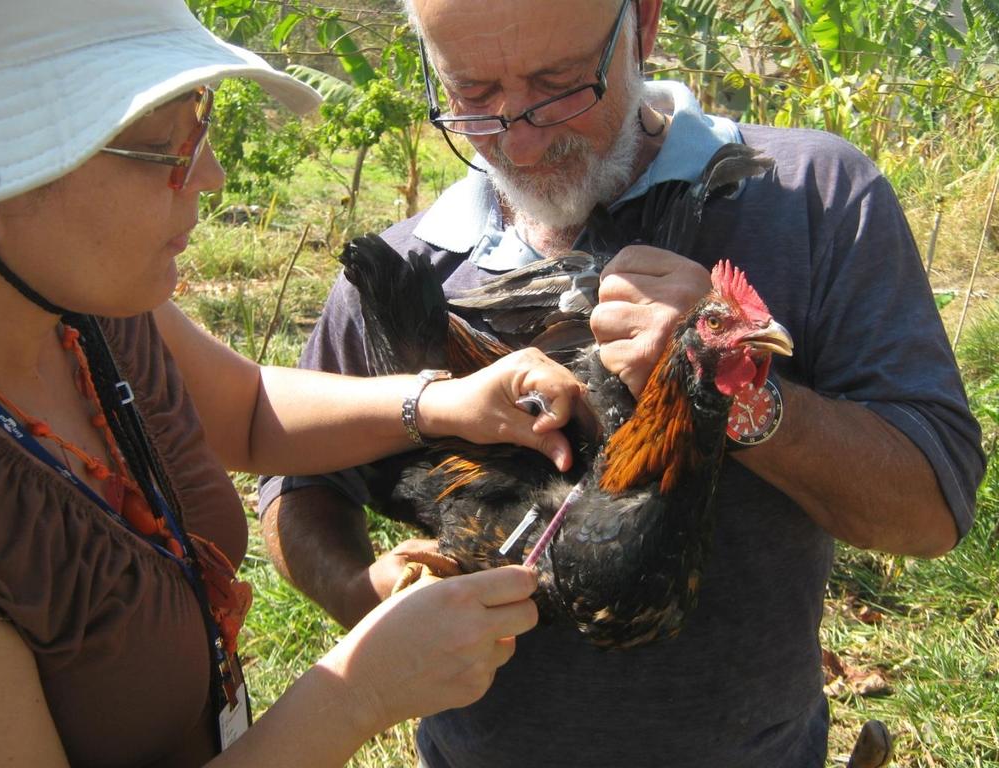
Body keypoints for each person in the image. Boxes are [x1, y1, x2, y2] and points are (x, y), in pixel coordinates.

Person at [260, 0, 986, 766]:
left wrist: (731, 390)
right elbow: (296, 477)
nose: (521, 137)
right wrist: (358, 592)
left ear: (642, 26)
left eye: (559, 81)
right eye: (473, 95)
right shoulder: (407, 276)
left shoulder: (814, 197)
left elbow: (931, 513)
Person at [0, 2, 592, 766]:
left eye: (200, 126)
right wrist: (357, 694)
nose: (212, 174)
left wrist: (440, 404)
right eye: (164, 148)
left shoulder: (86, 310)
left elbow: (249, 410)